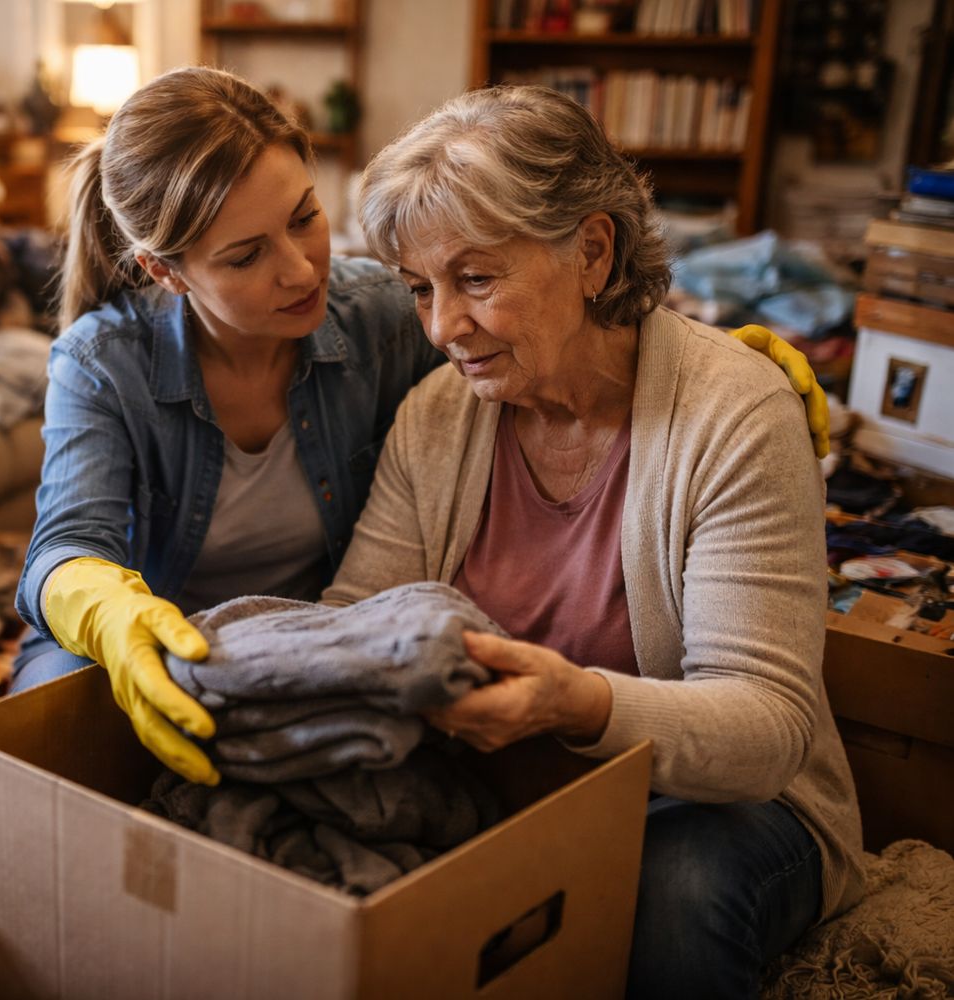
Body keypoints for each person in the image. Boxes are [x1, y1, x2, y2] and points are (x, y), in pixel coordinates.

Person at [13, 66, 827, 793]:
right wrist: (112, 616)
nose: (300, 268)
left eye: (305, 217)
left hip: (314, 621)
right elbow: (64, 545)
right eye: (245, 256)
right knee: (55, 742)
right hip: (165, 629)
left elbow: (557, 305)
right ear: (165, 271)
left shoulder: (376, 312)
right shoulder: (102, 362)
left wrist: (710, 362)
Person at [323, 85, 862, 998]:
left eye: (477, 279)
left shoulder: (735, 415)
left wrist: (576, 705)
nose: (442, 327)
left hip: (725, 804)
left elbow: (766, 728)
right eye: (421, 289)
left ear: (593, 252)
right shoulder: (438, 414)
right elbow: (353, 615)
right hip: (506, 789)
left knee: (671, 884)